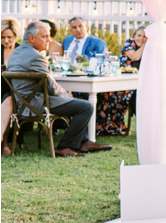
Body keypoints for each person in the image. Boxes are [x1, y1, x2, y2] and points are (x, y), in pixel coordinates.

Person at [6, 21, 111, 157]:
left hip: (23, 102)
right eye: (44, 36)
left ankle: (83, 141)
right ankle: (65, 146)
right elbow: (52, 88)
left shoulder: (17, 52)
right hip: (35, 104)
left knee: (78, 102)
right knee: (86, 106)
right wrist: (66, 94)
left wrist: (63, 93)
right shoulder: (36, 57)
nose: (49, 40)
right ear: (32, 38)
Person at [123, 26, 166, 137]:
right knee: (136, 96)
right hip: (150, 83)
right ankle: (146, 128)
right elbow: (136, 67)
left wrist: (158, 79)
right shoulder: (147, 50)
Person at [2, 18, 20, 157]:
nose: (6, 40)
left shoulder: (21, 51)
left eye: (9, 37)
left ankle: (4, 142)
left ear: (16, 36)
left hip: (16, 88)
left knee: (8, 99)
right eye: (2, 37)